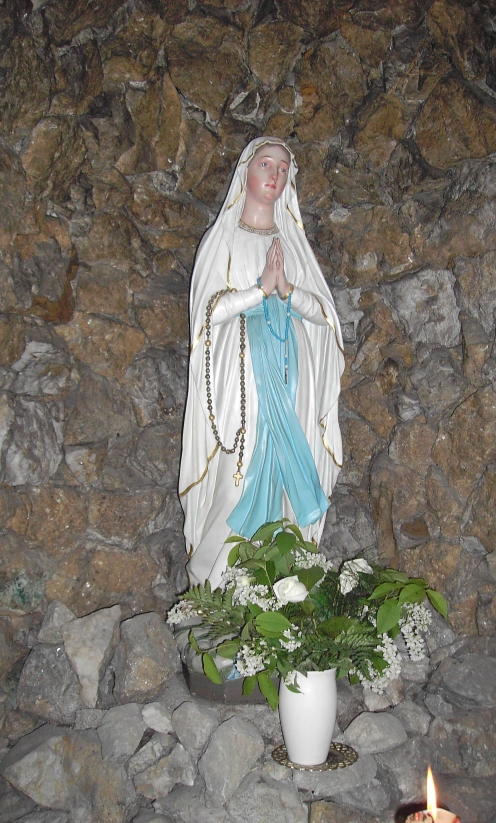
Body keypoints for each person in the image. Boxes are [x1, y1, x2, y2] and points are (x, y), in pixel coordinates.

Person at [179, 137, 344, 588]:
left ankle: (280, 589)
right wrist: (259, 291)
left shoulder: (292, 243)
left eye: (283, 169)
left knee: (288, 478)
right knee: (238, 481)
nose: (274, 175)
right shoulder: (223, 239)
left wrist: (287, 291)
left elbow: (324, 317)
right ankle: (215, 587)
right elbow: (207, 314)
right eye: (266, 164)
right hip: (244, 380)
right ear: (246, 172)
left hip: (293, 378)